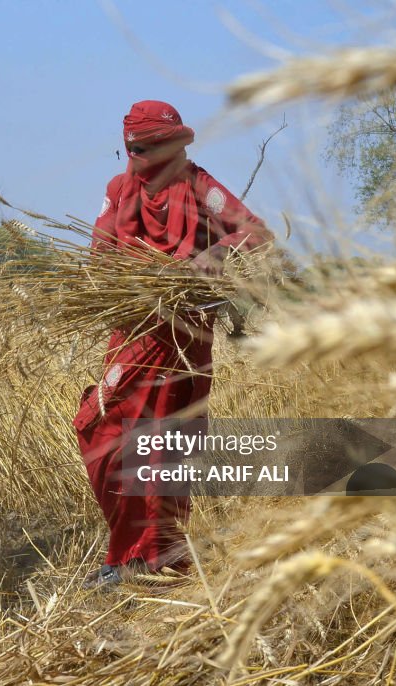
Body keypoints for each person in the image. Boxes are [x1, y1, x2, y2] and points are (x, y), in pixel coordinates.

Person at [74, 100, 272, 588]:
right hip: (133, 332)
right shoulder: (118, 192)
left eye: (159, 148)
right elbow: (99, 256)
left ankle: (150, 557)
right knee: (98, 429)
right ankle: (133, 549)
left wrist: (214, 254)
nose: (147, 159)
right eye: (137, 149)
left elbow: (257, 235)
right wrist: (115, 278)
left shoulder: (201, 187)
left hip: (182, 337)